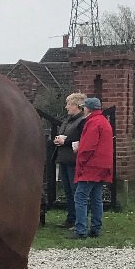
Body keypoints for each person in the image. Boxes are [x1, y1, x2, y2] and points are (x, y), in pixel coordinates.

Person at [72, 96, 113, 239]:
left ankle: (80, 230)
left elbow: (88, 147)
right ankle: (96, 228)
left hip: (91, 166)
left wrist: (81, 160)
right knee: (96, 198)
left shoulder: (92, 123)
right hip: (102, 165)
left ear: (88, 108)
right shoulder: (104, 122)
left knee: (80, 197)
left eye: (84, 107)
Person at [52, 93, 87, 227]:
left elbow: (82, 140)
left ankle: (78, 219)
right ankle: (71, 218)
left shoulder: (82, 121)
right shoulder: (68, 120)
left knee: (75, 191)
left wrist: (65, 141)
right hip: (64, 159)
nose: (66, 107)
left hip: (74, 160)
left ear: (77, 106)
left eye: (69, 104)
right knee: (67, 191)